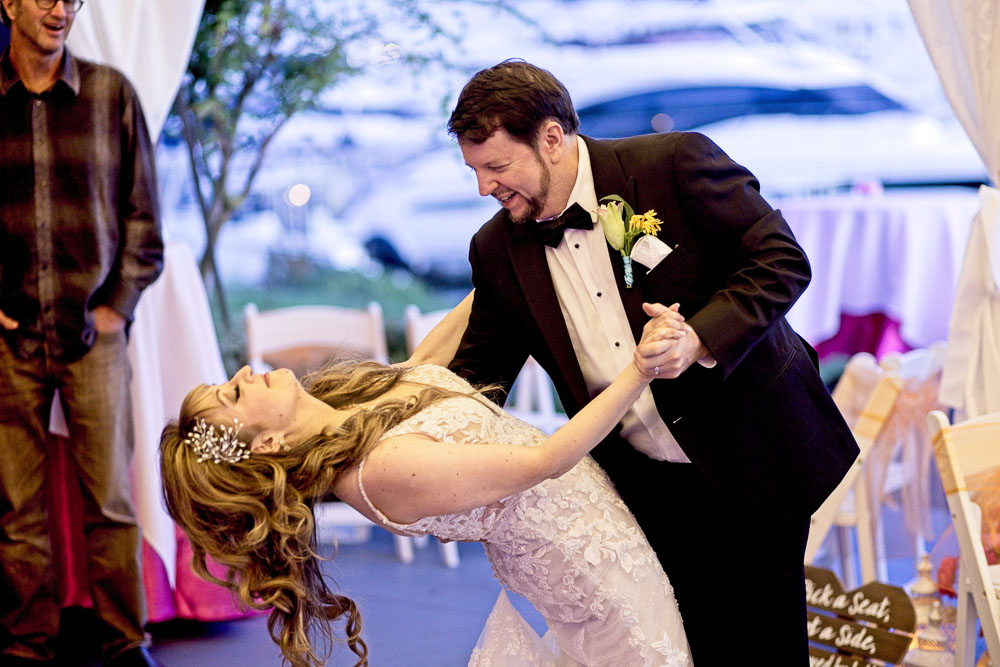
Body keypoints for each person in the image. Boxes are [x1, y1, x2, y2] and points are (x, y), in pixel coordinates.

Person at [445, 59, 860, 664]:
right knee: (678, 646)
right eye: (475, 171)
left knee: (763, 644)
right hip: (639, 482)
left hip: (748, 449)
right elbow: (479, 374)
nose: (485, 187)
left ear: (553, 139)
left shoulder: (674, 165)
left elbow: (780, 261)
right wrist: (414, 434)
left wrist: (698, 339)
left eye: (497, 167)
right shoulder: (495, 248)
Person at [159, 298, 693, 667]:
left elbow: (426, 363)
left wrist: (511, 238)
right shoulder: (376, 474)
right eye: (232, 395)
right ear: (267, 445)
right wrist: (641, 369)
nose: (242, 375)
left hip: (610, 530)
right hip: (601, 576)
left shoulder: (350, 405)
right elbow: (546, 460)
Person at [0, 0, 164, 664]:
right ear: (8, 3)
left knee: (111, 503)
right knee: (17, 514)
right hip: (9, 342)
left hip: (95, 338)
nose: (61, 9)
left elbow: (145, 222)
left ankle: (127, 643)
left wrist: (115, 306)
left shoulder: (111, 94)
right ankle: (25, 644)